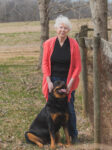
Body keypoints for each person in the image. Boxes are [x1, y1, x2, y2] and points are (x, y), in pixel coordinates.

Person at [41, 15, 81, 143]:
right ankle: (52, 136)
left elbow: (77, 66)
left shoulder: (74, 44)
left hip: (68, 80)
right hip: (53, 80)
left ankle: (73, 136)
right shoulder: (49, 43)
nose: (62, 30)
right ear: (56, 28)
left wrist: (70, 84)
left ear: (68, 30)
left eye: (65, 28)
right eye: (60, 27)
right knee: (51, 109)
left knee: (69, 108)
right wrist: (48, 81)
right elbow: (45, 64)